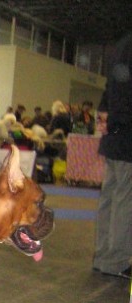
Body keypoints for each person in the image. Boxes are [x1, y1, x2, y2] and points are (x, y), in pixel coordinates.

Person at [92, 32, 132, 280]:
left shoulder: (120, 45)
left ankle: (102, 255)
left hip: (114, 136)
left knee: (110, 196)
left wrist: (106, 119)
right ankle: (116, 260)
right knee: (124, 200)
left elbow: (109, 89)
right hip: (127, 136)